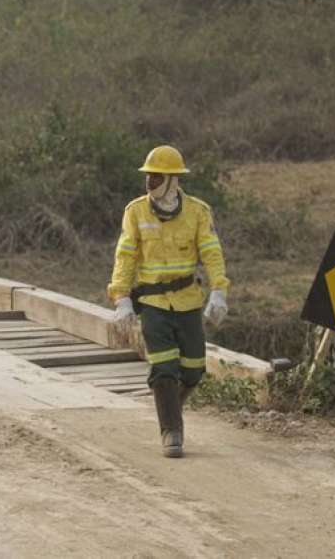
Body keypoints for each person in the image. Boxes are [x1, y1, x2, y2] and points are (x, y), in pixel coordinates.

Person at [107, 145, 229, 458]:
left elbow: (211, 252)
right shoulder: (135, 211)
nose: (149, 182)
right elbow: (126, 256)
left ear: (173, 180)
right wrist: (121, 298)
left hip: (188, 301)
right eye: (148, 176)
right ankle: (171, 431)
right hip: (154, 303)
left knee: (192, 370)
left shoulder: (198, 212)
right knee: (163, 367)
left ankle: (171, 405)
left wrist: (219, 291)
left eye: (156, 176)